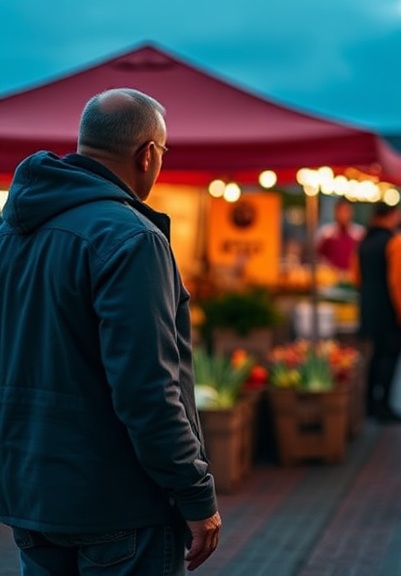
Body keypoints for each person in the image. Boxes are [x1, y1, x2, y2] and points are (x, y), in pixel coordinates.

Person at [0, 88, 220, 574]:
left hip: (31, 491)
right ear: (146, 154)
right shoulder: (131, 237)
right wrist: (194, 493)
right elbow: (147, 388)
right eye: (163, 152)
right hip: (118, 499)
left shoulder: (12, 230)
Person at [352, 202, 401, 423]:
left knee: (374, 357)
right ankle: (385, 407)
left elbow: (356, 277)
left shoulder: (363, 242)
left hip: (368, 309)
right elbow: (399, 283)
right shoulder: (396, 242)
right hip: (390, 312)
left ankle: (369, 405)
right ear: (393, 215)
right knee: (390, 358)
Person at [316, 198, 365, 277]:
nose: (343, 215)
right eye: (340, 211)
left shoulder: (359, 234)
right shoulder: (327, 233)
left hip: (352, 276)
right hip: (331, 277)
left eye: (346, 211)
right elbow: (319, 256)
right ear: (335, 212)